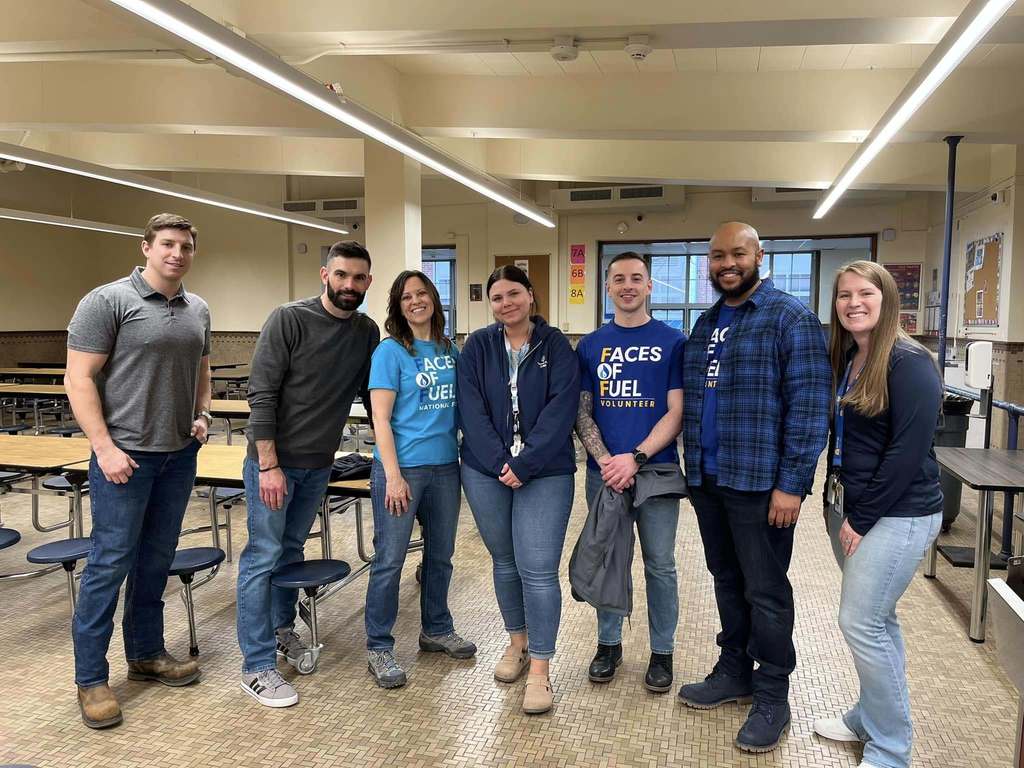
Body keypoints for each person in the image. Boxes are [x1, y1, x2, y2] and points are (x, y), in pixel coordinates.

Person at [678, 221, 831, 753]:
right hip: (708, 478)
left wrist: (792, 485)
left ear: (759, 255)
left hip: (761, 484)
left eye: (737, 253)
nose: (727, 263)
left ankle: (773, 693)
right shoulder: (707, 322)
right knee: (725, 578)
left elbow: (812, 409)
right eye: (717, 255)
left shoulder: (790, 317)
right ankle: (735, 669)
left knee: (765, 589)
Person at [65, 213, 212, 729]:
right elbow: (78, 377)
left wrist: (203, 413)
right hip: (124, 458)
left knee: (156, 561)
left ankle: (146, 654)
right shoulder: (107, 301)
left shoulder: (198, 307)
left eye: (186, 246)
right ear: (146, 247)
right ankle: (91, 678)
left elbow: (201, 367)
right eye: (167, 244)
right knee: (109, 564)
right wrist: (103, 448)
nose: (177, 253)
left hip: (177, 456)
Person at [236, 241, 378, 708]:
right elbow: (262, 395)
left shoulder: (366, 332)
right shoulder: (289, 318)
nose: (348, 286)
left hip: (319, 465)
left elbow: (372, 398)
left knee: (291, 552)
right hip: (273, 465)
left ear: (368, 283)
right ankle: (255, 666)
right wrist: (269, 464)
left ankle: (282, 632)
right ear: (324, 274)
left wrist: (396, 454)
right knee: (262, 555)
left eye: (358, 278)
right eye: (341, 276)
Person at [813, 261, 943, 768]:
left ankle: (891, 749)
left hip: (897, 513)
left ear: (887, 297)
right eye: (844, 295)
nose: (853, 303)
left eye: (864, 293)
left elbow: (907, 452)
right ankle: (867, 719)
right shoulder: (850, 355)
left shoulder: (909, 362)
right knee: (878, 622)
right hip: (849, 502)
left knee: (860, 622)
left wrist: (861, 518)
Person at [457, 265, 579, 715]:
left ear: (531, 296)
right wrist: (499, 463)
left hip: (545, 472)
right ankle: (517, 643)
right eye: (497, 297)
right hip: (485, 470)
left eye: (513, 294)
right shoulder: (478, 347)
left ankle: (541, 671)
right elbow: (469, 409)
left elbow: (561, 410)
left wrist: (525, 464)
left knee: (538, 569)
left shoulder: (557, 346)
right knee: (505, 561)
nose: (505, 303)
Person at [574, 251, 685, 692]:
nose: (627, 286)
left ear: (650, 285)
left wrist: (634, 458)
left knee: (660, 565)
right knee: (608, 558)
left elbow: (676, 412)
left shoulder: (674, 342)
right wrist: (606, 461)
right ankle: (608, 644)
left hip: (655, 473)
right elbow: (583, 414)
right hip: (604, 475)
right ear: (607, 287)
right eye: (618, 278)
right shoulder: (590, 345)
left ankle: (663, 651)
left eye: (636, 278)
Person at [364, 270, 475, 688]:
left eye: (422, 293)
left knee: (441, 555)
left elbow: (463, 408)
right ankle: (378, 646)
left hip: (446, 467)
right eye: (407, 296)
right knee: (390, 560)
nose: (416, 301)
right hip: (402, 469)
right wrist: (392, 476)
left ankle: (436, 628)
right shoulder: (390, 352)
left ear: (434, 299)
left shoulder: (450, 349)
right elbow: (381, 419)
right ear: (398, 304)